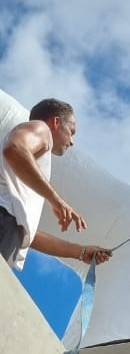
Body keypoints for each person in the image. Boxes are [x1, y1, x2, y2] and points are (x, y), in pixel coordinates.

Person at [0, 98, 113, 271]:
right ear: (55, 122)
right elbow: (14, 149)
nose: (72, 141)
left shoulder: (15, 195)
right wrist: (55, 199)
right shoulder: (41, 129)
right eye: (71, 131)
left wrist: (81, 252)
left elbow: (28, 233)